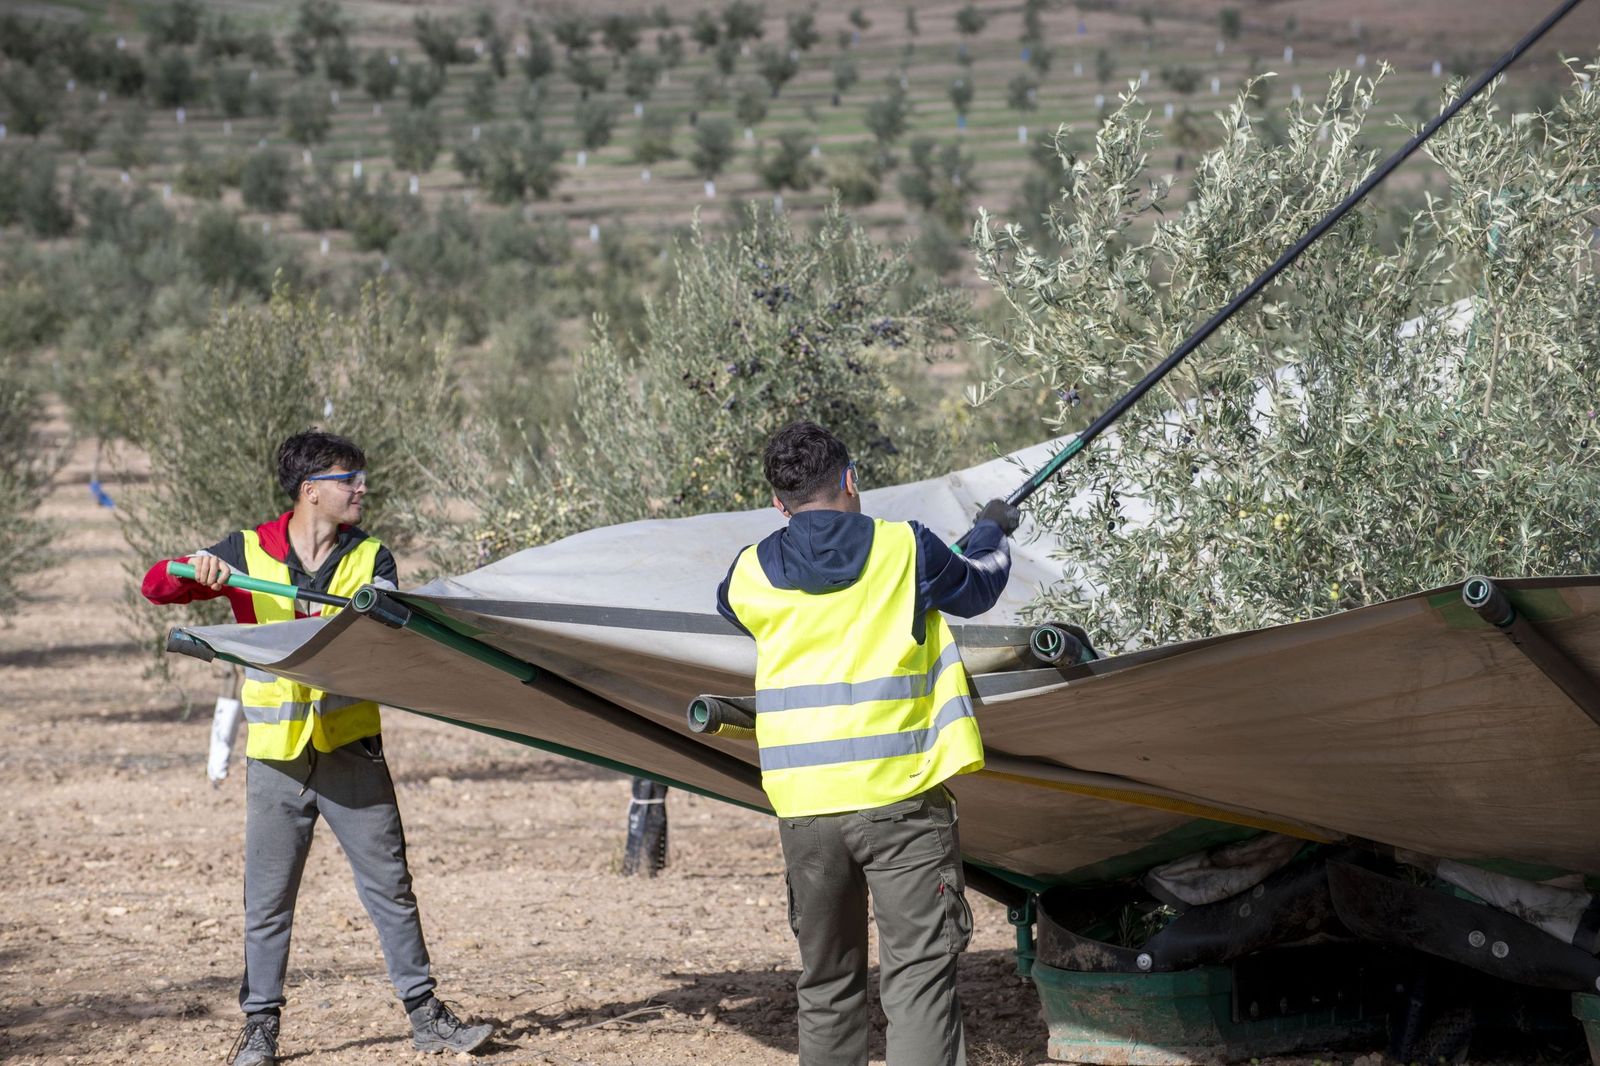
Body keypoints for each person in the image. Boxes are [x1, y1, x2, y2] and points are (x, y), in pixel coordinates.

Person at [142, 431, 494, 1066]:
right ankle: (259, 1029)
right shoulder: (244, 551)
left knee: (391, 886)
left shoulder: (372, 559)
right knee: (268, 898)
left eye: (361, 476)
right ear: (311, 491)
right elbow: (156, 587)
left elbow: (389, 643)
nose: (362, 488)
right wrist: (192, 568)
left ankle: (427, 1018)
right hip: (276, 756)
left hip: (351, 751)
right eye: (349, 477)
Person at [716, 421, 1018, 1066]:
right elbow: (981, 583)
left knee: (826, 985)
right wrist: (993, 533)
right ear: (852, 480)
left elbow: (736, 608)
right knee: (917, 982)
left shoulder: (748, 572)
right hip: (900, 801)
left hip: (805, 809)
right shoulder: (907, 549)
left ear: (778, 502)